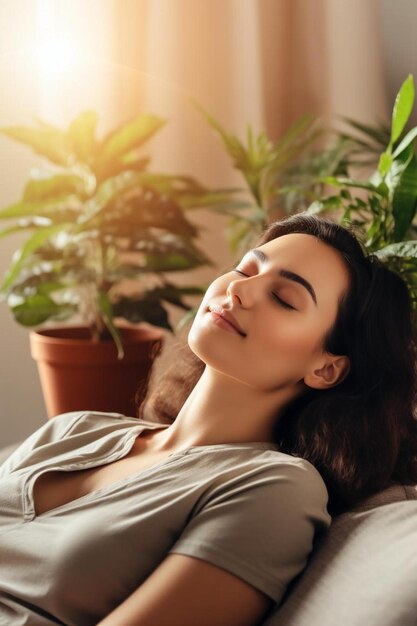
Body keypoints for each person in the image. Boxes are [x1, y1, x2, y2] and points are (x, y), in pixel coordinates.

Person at [1, 212, 416, 626]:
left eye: (284, 298)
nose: (238, 289)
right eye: (245, 269)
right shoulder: (76, 428)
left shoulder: (274, 489)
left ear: (326, 368)